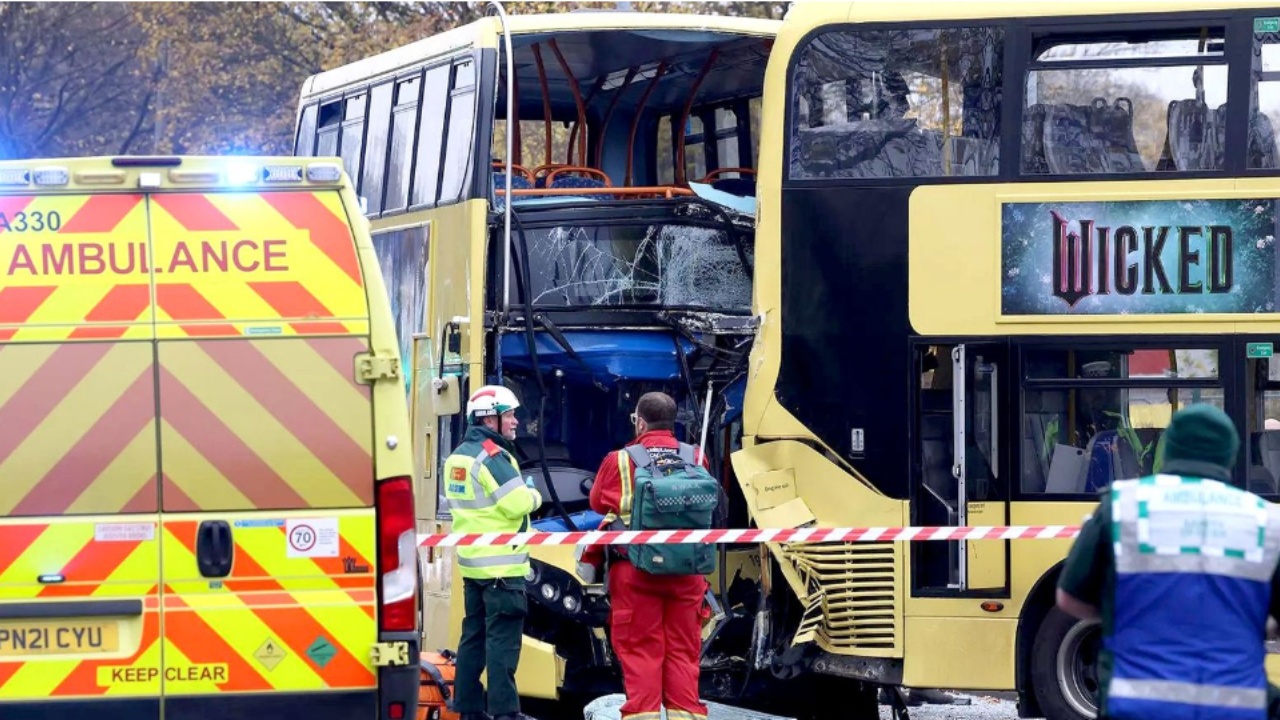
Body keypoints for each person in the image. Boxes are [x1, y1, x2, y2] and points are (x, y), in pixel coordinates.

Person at [1056, 403, 1280, 720]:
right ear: (1230, 455)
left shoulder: (1123, 507)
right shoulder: (1265, 521)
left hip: (1136, 708)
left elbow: (1069, 598)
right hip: (1235, 709)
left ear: (1170, 448)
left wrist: (1119, 612)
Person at [588, 391, 712, 720]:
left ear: (640, 422)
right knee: (684, 653)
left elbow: (599, 503)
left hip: (635, 570)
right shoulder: (696, 457)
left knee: (641, 653)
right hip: (687, 571)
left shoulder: (619, 459)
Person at [444, 385, 543, 720]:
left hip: (474, 565)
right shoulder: (492, 455)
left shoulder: (458, 455)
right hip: (503, 568)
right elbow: (516, 504)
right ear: (490, 417)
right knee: (503, 641)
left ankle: (469, 709)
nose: (515, 421)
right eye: (510, 414)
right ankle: (505, 712)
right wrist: (534, 494)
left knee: (473, 638)